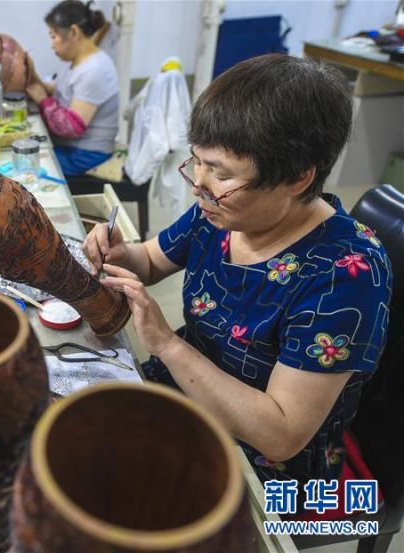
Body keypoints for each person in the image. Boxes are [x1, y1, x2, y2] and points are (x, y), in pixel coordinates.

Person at [84, 54, 392, 514]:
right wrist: (119, 252)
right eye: (199, 164)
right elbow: (150, 259)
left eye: (222, 172)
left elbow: (282, 434)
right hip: (187, 395)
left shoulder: (346, 275)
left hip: (269, 464)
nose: (199, 186)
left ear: (297, 177)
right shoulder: (222, 211)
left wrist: (166, 344)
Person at [25, 0, 119, 177]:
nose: (52, 44)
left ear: (74, 32)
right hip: (74, 148)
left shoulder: (95, 70)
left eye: (53, 36)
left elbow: (71, 128)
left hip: (87, 155)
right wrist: (34, 77)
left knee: (25, 166)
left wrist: (43, 100)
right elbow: (62, 91)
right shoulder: (78, 62)